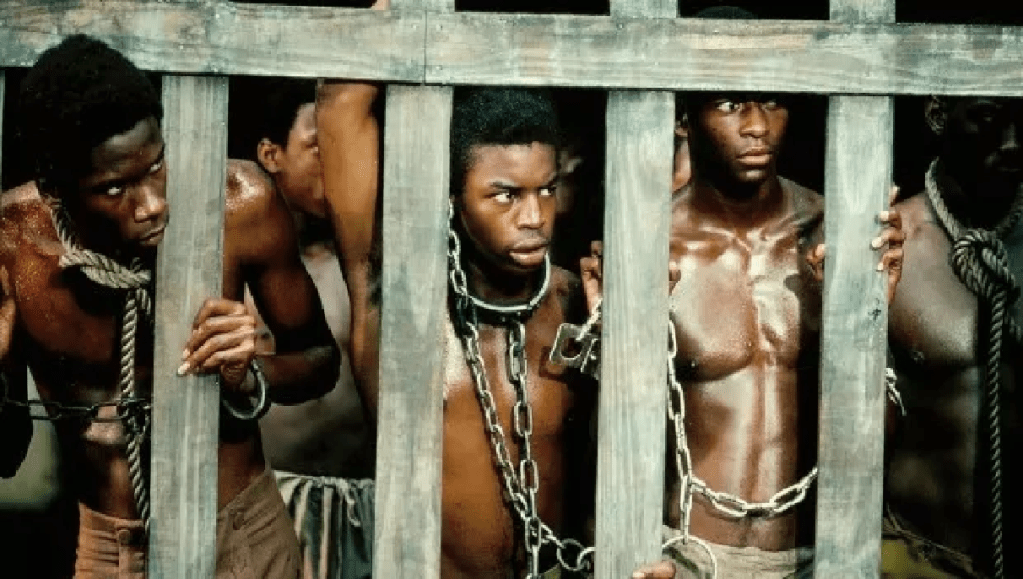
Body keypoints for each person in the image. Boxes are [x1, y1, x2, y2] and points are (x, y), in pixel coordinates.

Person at [579, 8, 904, 578]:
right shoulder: (649, 247)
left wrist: (865, 322)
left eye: (772, 100)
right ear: (684, 119)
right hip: (686, 557)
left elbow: (883, 441)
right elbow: (599, 454)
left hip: (821, 558)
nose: (757, 125)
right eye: (730, 104)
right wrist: (616, 343)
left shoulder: (836, 235)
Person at [0, 34, 339, 578]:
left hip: (240, 533)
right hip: (110, 548)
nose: (153, 205)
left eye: (157, 165)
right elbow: (7, 455)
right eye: (115, 189)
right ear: (55, 189)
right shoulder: (14, 244)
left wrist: (248, 377)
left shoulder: (239, 203)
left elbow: (321, 361)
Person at [319, 77, 600, 578]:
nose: (535, 216)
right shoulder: (393, 299)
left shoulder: (576, 302)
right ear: (453, 198)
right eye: (505, 195)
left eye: (546, 190)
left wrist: (617, 337)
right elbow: (342, 98)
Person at [884, 95, 1023, 579]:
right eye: (987, 117)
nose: (1012, 142)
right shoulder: (892, 245)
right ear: (938, 117)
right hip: (919, 558)